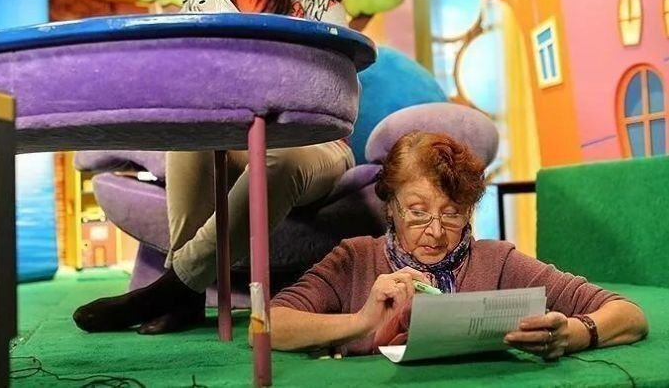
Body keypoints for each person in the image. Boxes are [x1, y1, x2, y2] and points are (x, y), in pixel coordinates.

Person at [73, 0, 354, 334]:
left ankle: (176, 285)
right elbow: (189, 88)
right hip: (234, 138)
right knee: (189, 142)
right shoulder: (199, 5)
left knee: (277, 158)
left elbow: (340, 77)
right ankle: (187, 300)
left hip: (313, 144)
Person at [268, 132, 648, 358]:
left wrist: (574, 334)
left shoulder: (497, 261)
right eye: (418, 212)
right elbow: (270, 324)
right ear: (391, 208)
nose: (435, 232)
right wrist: (361, 322)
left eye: (452, 214)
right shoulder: (355, 259)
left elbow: (629, 315)